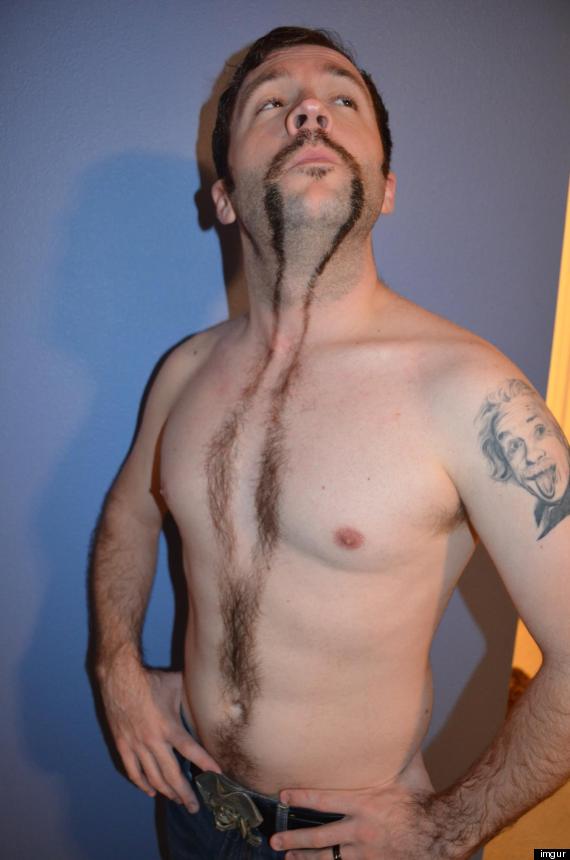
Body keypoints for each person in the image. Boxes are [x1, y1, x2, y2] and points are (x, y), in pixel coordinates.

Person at [92, 25, 570, 860]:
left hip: (347, 846)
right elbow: (127, 519)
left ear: (387, 189)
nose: (310, 110)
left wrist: (444, 830)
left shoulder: (471, 393)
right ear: (224, 198)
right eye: (271, 102)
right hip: (193, 808)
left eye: (341, 99)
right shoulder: (184, 373)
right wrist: (117, 669)